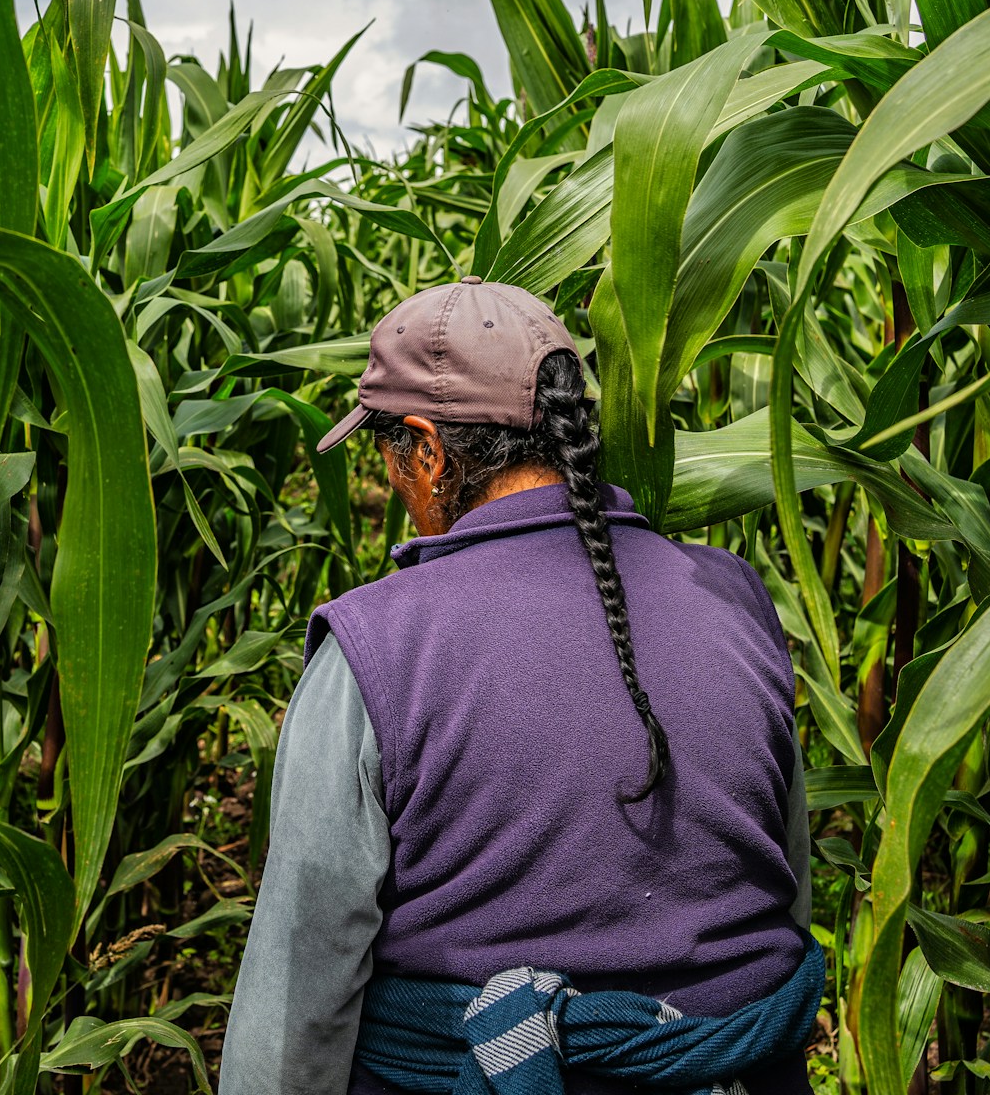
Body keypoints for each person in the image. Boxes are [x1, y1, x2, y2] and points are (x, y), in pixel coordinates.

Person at [218, 276, 818, 1095]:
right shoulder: (737, 598)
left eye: (389, 459)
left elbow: (299, 998)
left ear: (427, 452)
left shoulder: (373, 650)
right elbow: (786, 890)